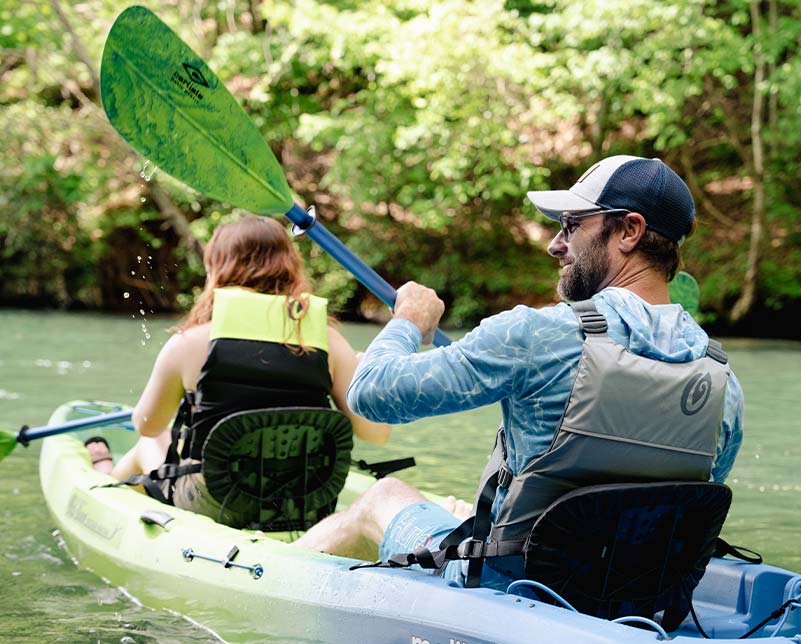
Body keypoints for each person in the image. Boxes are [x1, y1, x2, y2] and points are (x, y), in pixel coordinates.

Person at [294, 155, 744, 589]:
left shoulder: (536, 335)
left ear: (629, 230)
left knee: (382, 497)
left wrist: (408, 321)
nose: (555, 244)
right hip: (634, 594)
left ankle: (278, 570)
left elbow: (369, 392)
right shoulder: (722, 380)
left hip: (509, 582)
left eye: (571, 225)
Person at [87, 216, 390, 526]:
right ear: (290, 266)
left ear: (217, 270)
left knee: (152, 442)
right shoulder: (330, 343)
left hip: (216, 502)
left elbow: (147, 426)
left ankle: (104, 486)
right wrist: (362, 372)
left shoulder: (189, 343)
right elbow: (376, 433)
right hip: (304, 502)